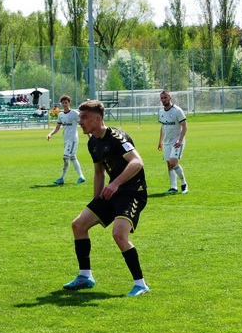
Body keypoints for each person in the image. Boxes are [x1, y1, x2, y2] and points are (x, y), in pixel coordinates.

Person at [64, 100, 150, 296]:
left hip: (132, 192)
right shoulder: (92, 142)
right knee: (79, 225)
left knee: (119, 235)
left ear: (98, 119)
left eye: (84, 118)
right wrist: (96, 202)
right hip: (113, 192)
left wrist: (116, 183)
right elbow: (99, 173)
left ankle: (140, 284)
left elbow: (137, 163)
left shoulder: (117, 137)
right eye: (80, 118)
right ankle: (85, 276)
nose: (80, 122)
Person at [46, 95, 86, 185]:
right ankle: (81, 176)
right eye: (63, 103)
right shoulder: (60, 114)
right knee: (72, 157)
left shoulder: (75, 113)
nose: (64, 104)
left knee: (66, 157)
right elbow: (57, 128)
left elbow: (83, 123)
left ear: (69, 103)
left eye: (66, 102)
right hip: (66, 139)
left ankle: (62, 178)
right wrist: (50, 134)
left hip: (73, 139)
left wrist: (89, 134)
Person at [157, 89, 188, 194]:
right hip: (167, 142)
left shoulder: (177, 111)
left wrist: (180, 140)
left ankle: (184, 184)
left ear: (170, 98)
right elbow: (163, 127)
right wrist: (160, 141)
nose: (164, 99)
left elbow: (184, 126)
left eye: (165, 97)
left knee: (173, 162)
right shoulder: (161, 112)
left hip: (177, 141)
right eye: (162, 98)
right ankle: (173, 187)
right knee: (169, 165)